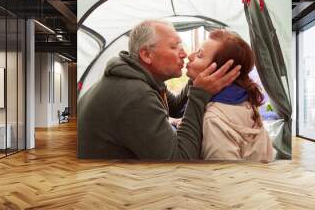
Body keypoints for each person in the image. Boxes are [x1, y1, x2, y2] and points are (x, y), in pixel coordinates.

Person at [77, 20, 240, 160]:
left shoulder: (137, 77)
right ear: (147, 54)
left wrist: (196, 80)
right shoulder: (135, 94)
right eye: (175, 47)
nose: (184, 54)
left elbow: (174, 108)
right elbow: (179, 161)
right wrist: (199, 95)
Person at [186, 29, 274, 162]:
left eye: (199, 55)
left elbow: (224, 176)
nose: (189, 56)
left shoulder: (214, 119)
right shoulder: (245, 103)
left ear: (219, 73)